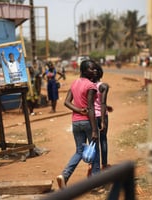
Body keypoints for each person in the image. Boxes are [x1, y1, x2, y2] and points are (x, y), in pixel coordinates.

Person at [56, 60, 100, 189]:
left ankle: (64, 175)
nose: (95, 71)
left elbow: (67, 102)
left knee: (79, 152)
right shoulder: (91, 86)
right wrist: (94, 130)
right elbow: (91, 108)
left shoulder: (74, 83)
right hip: (88, 122)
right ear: (84, 70)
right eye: (92, 69)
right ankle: (96, 182)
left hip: (75, 122)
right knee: (95, 151)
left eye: (95, 69)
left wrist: (78, 110)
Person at [87, 63, 113, 176]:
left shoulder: (89, 85)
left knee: (93, 141)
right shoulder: (103, 86)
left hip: (91, 115)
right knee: (103, 139)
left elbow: (91, 103)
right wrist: (102, 120)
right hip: (102, 116)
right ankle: (104, 164)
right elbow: (102, 103)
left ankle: (92, 164)